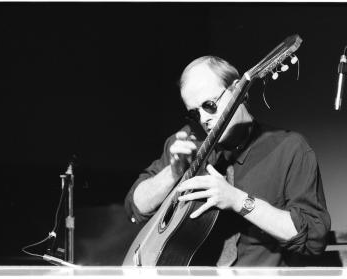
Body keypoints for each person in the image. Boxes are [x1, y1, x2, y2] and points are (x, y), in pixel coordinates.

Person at [124, 55, 331, 266]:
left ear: (237, 91)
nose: (204, 119)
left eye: (210, 105)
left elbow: (314, 238)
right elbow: (136, 208)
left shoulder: (289, 148)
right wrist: (173, 173)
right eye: (195, 113)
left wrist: (237, 200)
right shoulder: (187, 142)